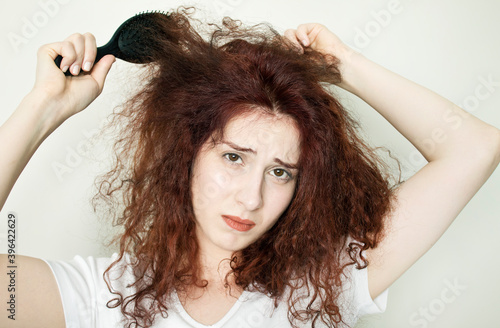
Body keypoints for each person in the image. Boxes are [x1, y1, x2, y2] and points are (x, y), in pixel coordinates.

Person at [1, 8, 499, 328]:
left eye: (281, 171)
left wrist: (344, 65)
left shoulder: (322, 284)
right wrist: (43, 107)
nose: (252, 198)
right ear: (187, 156)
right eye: (234, 157)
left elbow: (475, 147)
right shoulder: (107, 294)